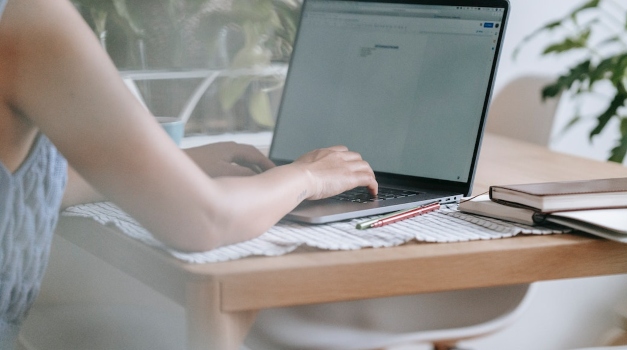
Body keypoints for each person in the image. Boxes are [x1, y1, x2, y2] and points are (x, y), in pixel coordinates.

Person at [0, 0, 378, 345]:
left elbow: (26, 190)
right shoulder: (30, 17)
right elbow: (204, 221)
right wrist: (308, 176)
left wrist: (178, 168)